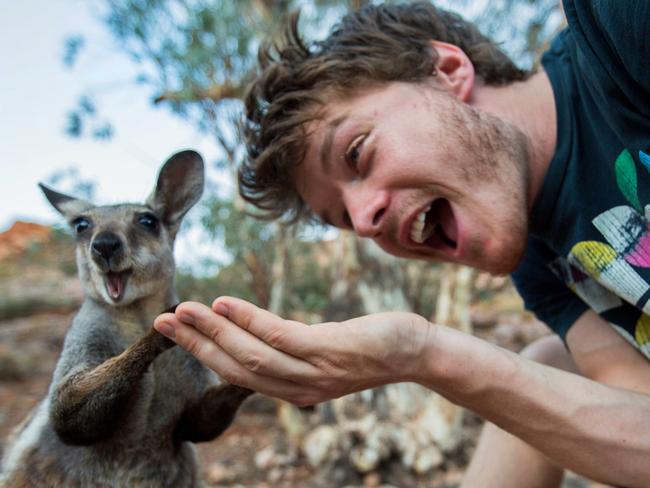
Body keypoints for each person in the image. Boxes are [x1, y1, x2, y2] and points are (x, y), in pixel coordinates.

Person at [153, 1, 650, 487]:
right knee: (547, 364)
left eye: (357, 152)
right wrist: (423, 355)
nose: (365, 223)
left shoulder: (617, 33)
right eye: (344, 219)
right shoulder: (540, 266)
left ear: (449, 70)